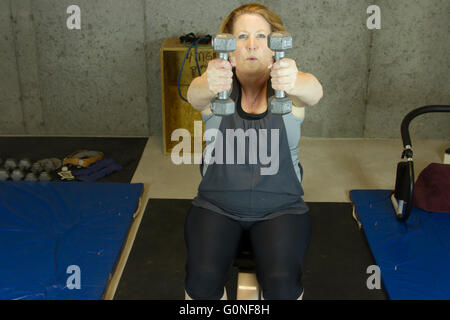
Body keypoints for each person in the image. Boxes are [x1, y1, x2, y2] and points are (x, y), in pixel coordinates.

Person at [185, 3, 323, 300]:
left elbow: (314, 92)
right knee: (201, 282)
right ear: (229, 47)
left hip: (281, 208)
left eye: (261, 36)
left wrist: (295, 79)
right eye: (242, 36)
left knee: (282, 284)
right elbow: (194, 95)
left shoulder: (289, 88)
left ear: (274, 45)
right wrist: (208, 83)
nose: (251, 44)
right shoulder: (215, 86)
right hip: (216, 205)